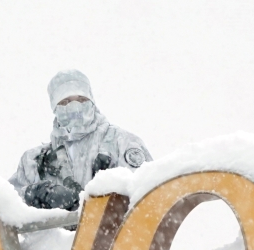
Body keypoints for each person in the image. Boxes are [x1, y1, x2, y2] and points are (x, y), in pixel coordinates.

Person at [10, 69, 152, 211]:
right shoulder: (34, 161)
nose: (74, 106)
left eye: (81, 99)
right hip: (56, 233)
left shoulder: (120, 143)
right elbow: (6, 205)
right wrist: (34, 194)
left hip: (115, 232)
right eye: (65, 102)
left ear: (92, 101)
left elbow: (150, 194)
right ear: (54, 108)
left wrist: (107, 195)